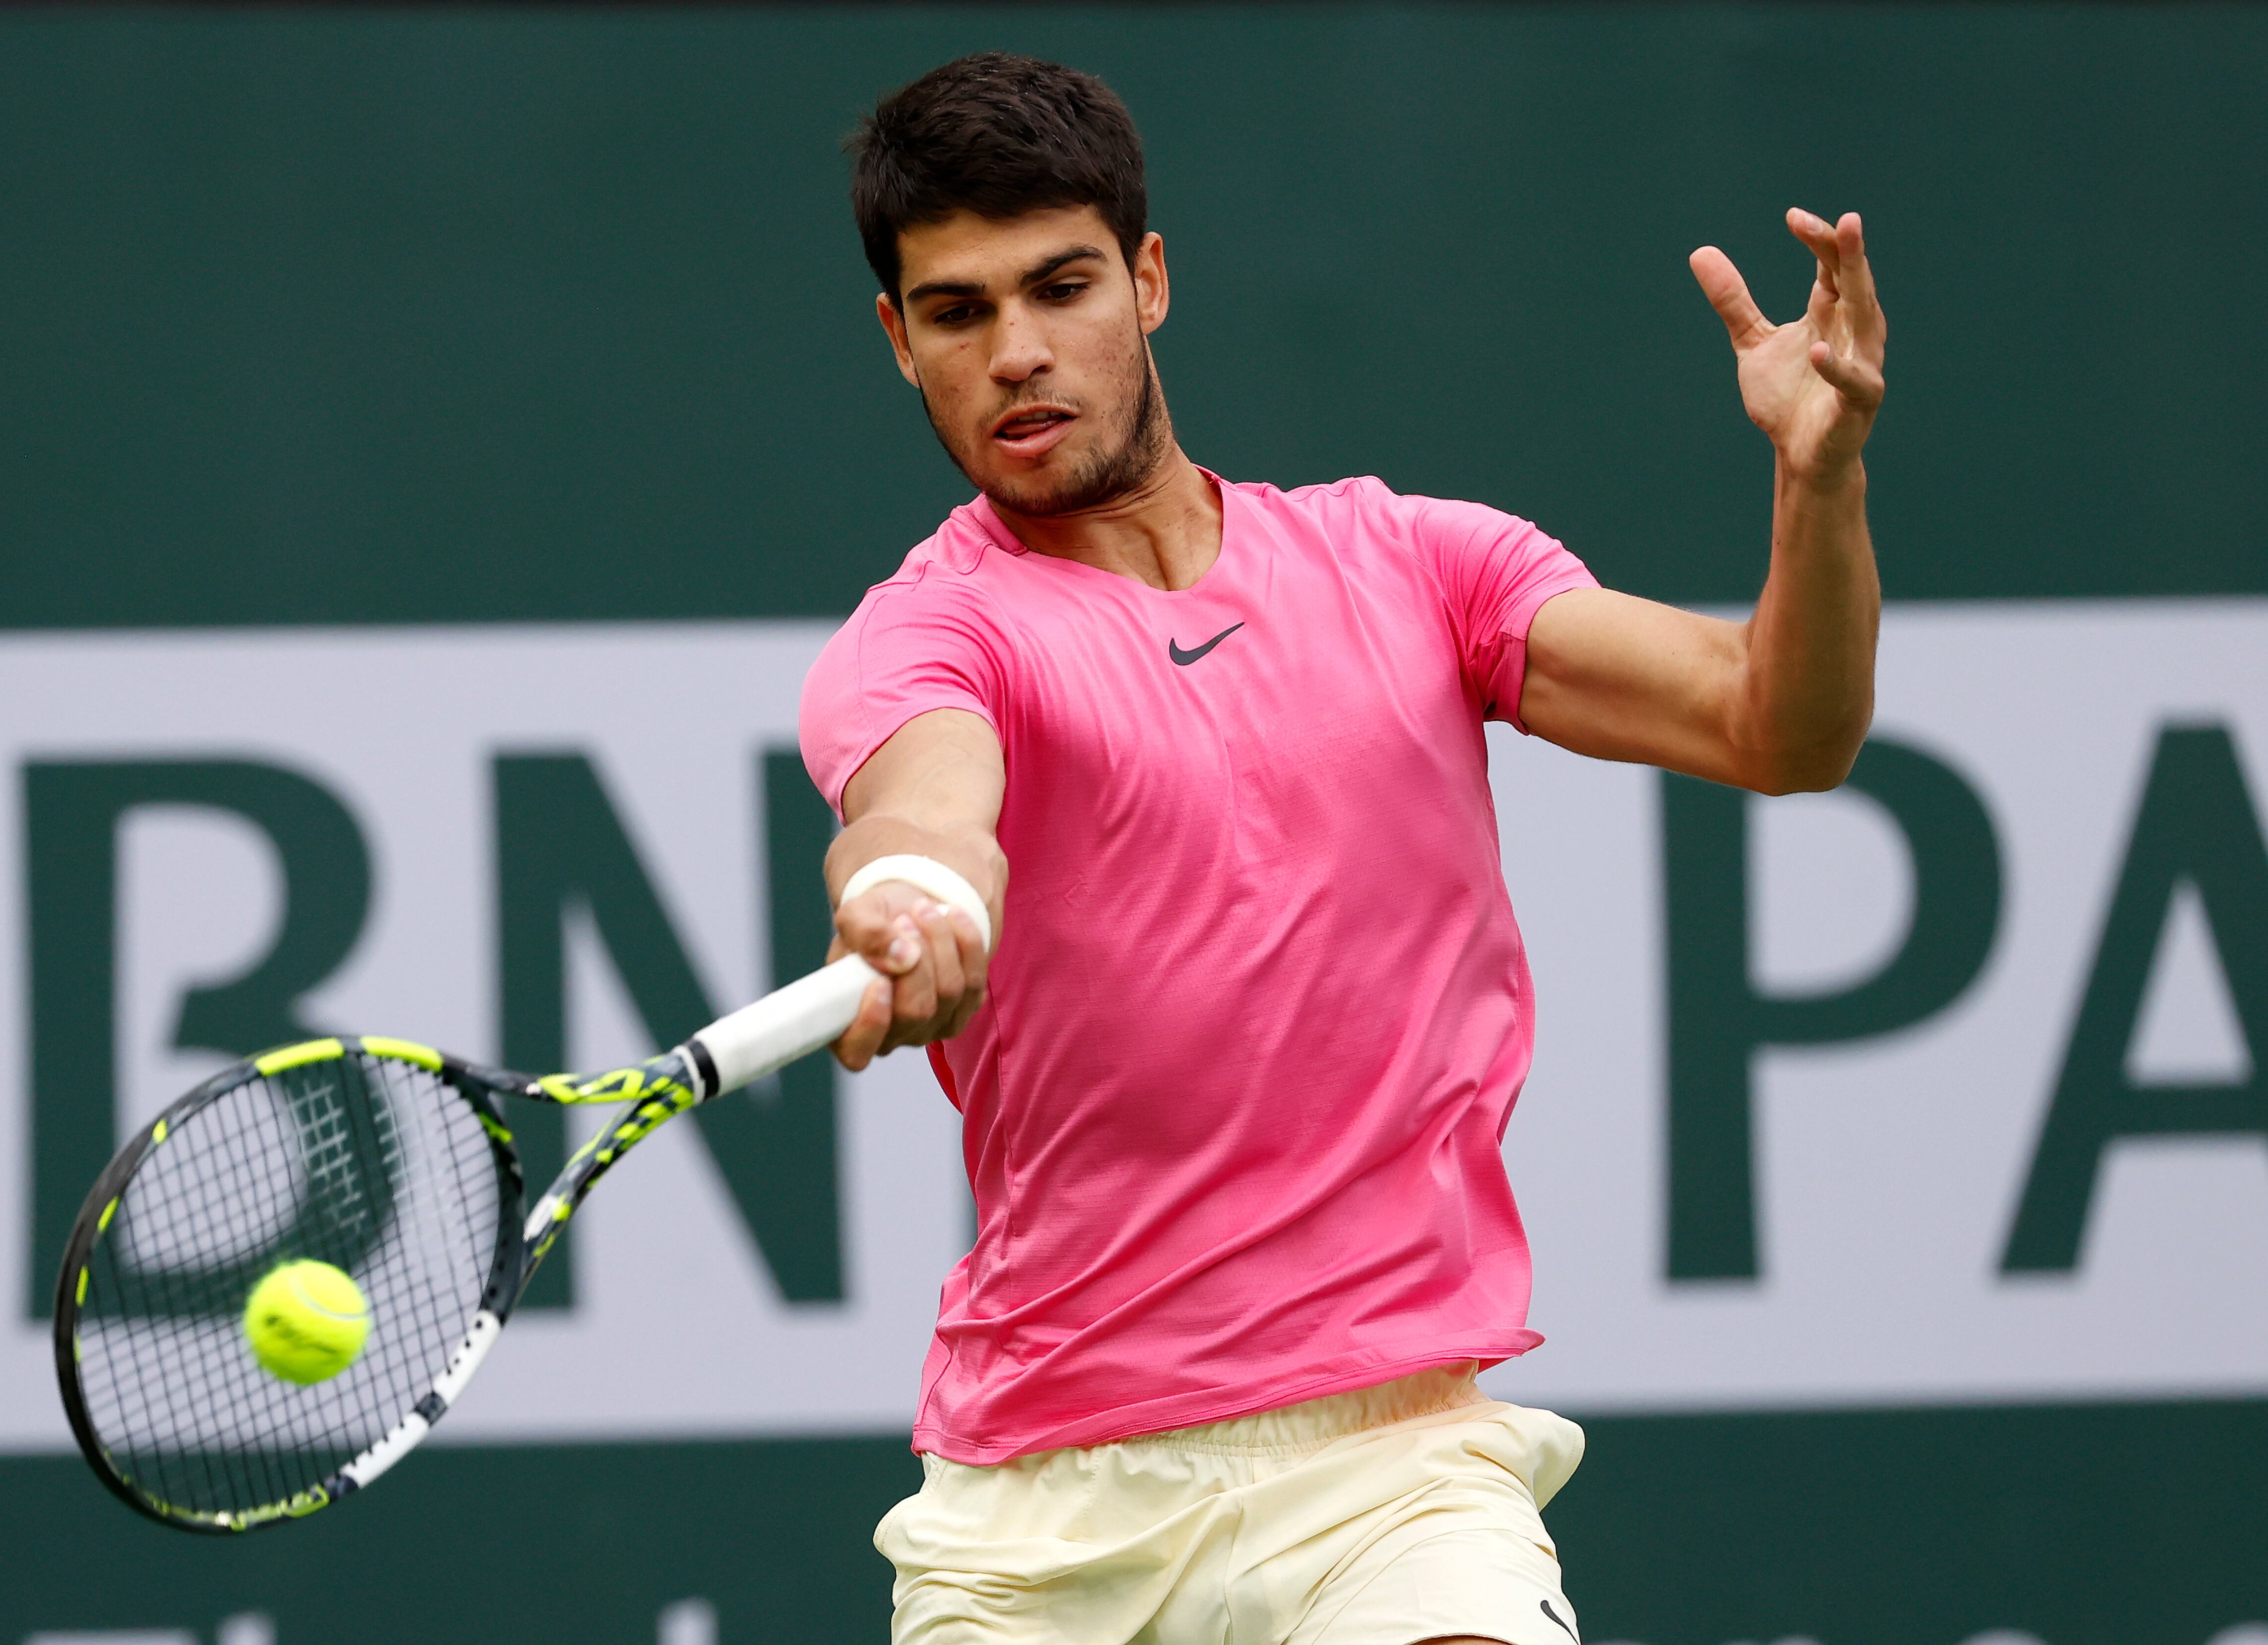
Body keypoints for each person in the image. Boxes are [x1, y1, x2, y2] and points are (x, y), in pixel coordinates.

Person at [799, 51, 1883, 1645]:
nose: (1020, 353)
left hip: (1394, 1471)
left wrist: (1820, 479)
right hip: (1045, 1514)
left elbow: (1777, 730)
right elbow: (920, 810)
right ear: (900, 343)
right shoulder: (929, 638)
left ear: (1150, 281)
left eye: (1062, 285)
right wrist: (910, 893)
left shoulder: (1417, 563)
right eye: (958, 312)